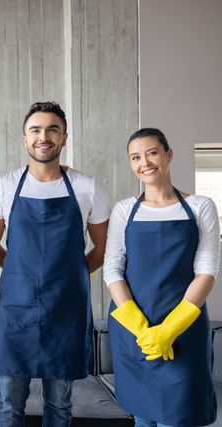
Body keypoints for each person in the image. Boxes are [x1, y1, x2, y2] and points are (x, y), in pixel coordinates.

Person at [0, 101, 111, 426]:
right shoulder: (4, 186)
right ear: (24, 139)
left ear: (64, 137)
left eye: (53, 129)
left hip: (66, 309)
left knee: (59, 405)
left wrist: (75, 274)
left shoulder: (87, 187)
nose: (44, 137)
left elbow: (104, 245)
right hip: (16, 310)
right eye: (36, 130)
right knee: (9, 405)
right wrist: (16, 271)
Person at [105, 128, 219, 427]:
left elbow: (206, 271)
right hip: (133, 329)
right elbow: (112, 269)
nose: (145, 162)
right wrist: (142, 329)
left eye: (152, 152)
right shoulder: (124, 210)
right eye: (136, 157)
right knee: (142, 418)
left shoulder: (200, 207)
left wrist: (170, 329)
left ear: (168, 154)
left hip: (184, 328)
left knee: (179, 416)